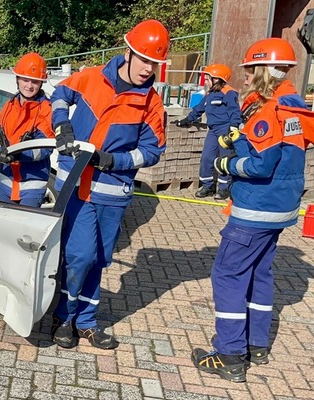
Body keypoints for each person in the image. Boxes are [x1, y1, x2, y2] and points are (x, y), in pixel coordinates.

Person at [191, 37, 308, 383]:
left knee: (227, 275)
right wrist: (237, 137)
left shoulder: (270, 111)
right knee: (260, 274)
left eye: (249, 70)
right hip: (280, 208)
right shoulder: (291, 104)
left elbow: (260, 165)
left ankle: (229, 354)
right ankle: (257, 345)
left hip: (255, 208)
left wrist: (228, 163)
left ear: (264, 71)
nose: (243, 78)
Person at [49, 20, 169, 349]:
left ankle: (87, 322)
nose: (148, 69)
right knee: (79, 255)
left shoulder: (151, 104)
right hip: (76, 185)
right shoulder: (91, 78)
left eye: (154, 63)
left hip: (113, 191)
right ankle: (64, 316)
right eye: (143, 59)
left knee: (99, 259)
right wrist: (61, 125)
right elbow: (59, 94)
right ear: (128, 52)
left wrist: (116, 161)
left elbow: (152, 152)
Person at [0, 52, 54, 207]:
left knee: (25, 230)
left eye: (34, 81)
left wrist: (19, 155)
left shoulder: (47, 110)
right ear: (17, 80)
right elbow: (4, 143)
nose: (29, 85)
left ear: (41, 83)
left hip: (32, 183)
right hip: (6, 181)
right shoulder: (8, 107)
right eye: (25, 80)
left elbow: (45, 149)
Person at [173, 64, 241, 199]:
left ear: (217, 79)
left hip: (224, 130)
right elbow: (199, 108)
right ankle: (207, 186)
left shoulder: (228, 93)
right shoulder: (210, 94)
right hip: (212, 130)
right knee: (206, 158)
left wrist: (233, 127)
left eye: (208, 78)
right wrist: (187, 120)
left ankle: (224, 188)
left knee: (224, 160)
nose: (205, 81)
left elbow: (235, 111)